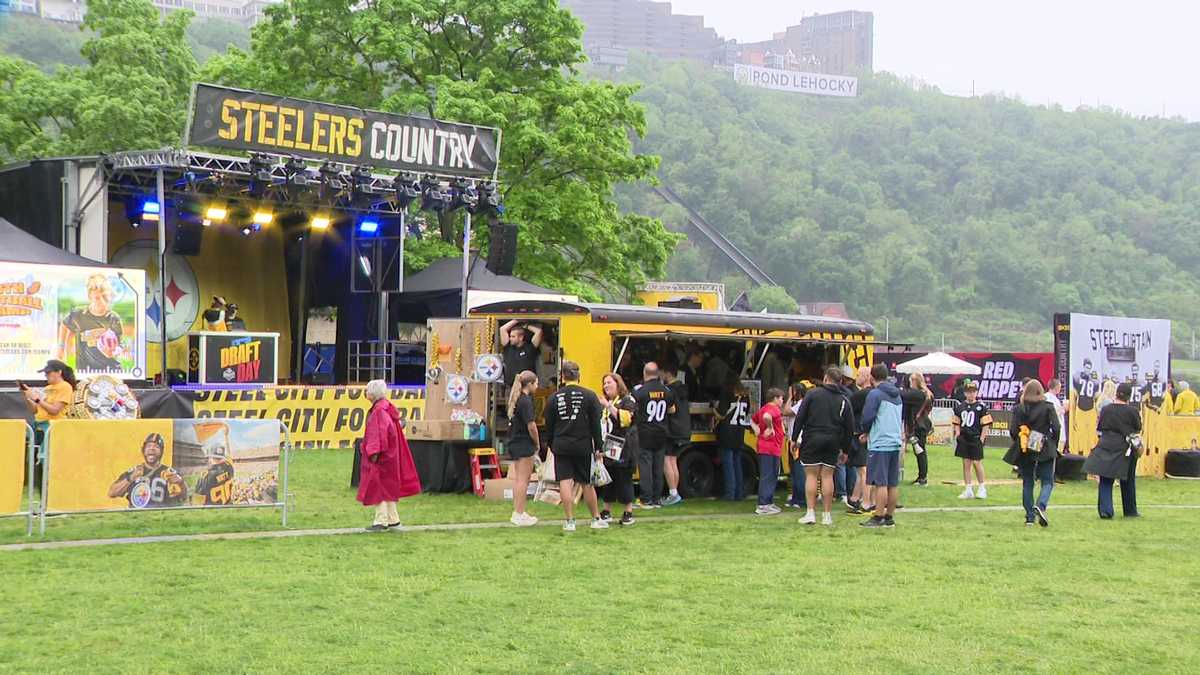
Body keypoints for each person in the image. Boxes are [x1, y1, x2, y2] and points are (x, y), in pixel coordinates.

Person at [543, 361, 606, 532]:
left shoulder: (553, 398)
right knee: (586, 483)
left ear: (562, 376)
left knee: (565, 481)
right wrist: (599, 446)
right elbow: (595, 424)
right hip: (582, 444)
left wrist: (551, 443)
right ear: (579, 376)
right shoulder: (590, 396)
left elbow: (549, 425)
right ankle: (595, 518)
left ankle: (570, 521)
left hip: (561, 444)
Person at [792, 366, 856, 526]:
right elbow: (849, 427)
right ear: (840, 381)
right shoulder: (844, 400)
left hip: (812, 439)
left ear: (826, 378)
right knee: (828, 476)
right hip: (833, 440)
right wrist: (846, 450)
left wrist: (794, 438)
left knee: (811, 476)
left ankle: (810, 513)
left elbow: (800, 417)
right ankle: (827, 515)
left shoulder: (812, 394)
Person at [356, 379, 421, 531]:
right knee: (388, 488)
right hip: (391, 454)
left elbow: (378, 434)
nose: (365, 393)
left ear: (372, 394)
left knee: (378, 487)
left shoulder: (378, 411)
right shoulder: (387, 408)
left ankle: (381, 520)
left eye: (367, 391)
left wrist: (372, 453)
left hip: (382, 456)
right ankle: (393, 520)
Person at [1004, 380, 1061, 527]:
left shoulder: (1019, 408)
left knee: (1028, 482)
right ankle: (1041, 505)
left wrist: (1020, 441)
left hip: (1025, 445)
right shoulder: (1048, 407)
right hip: (1044, 443)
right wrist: (1053, 442)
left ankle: (1029, 517)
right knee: (1047, 481)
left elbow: (1013, 430)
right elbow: (1057, 427)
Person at [1084, 383, 1143, 519]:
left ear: (1116, 393)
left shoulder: (1106, 409)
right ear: (1129, 396)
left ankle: (1106, 511)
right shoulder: (1132, 411)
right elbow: (1138, 427)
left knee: (1105, 478)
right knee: (1128, 479)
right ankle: (1130, 511)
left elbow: (1100, 426)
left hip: (1106, 444)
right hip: (1125, 447)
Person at [859, 364, 903, 528]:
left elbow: (867, 417)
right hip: (895, 441)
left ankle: (878, 516)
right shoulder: (897, 395)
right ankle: (889, 516)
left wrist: (864, 431)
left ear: (872, 377)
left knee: (880, 483)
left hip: (880, 442)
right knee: (892, 483)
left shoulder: (875, 394)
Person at [57, 273, 124, 372]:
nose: (102, 301)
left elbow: (121, 344)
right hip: (85, 370)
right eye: (97, 298)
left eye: (105, 297)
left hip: (111, 370)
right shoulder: (78, 314)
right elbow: (64, 325)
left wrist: (113, 352)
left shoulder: (113, 318)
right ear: (90, 297)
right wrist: (61, 348)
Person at [633, 362, 675, 509]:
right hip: (661, 432)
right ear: (657, 374)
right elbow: (672, 410)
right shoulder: (667, 391)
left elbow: (634, 408)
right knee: (658, 466)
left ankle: (646, 499)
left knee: (645, 466)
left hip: (645, 432)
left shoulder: (639, 391)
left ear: (644, 373)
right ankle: (656, 498)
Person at [108, 433, 188, 508]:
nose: (151, 448)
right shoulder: (134, 471)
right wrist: (130, 478)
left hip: (160, 514)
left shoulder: (169, 473)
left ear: (161, 452)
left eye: (156, 446)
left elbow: (183, 498)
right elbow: (112, 493)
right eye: (148, 446)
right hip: (136, 515)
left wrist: (181, 483)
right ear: (143, 450)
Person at [599, 372, 638, 526]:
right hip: (610, 443)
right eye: (604, 383)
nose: (606, 386)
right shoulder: (607, 402)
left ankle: (628, 512)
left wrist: (609, 406)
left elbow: (626, 420)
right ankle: (606, 510)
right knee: (609, 477)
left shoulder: (627, 400)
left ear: (618, 384)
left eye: (609, 382)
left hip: (625, 444)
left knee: (623, 478)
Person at [505, 370, 541, 527]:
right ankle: (519, 513)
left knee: (519, 479)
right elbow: (531, 425)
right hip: (524, 443)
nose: (537, 386)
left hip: (516, 442)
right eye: (536, 383)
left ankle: (518, 511)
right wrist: (537, 442)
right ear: (530, 384)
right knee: (523, 480)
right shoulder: (526, 401)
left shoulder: (517, 399)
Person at [713, 375, 750, 501]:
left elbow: (721, 414)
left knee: (728, 464)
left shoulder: (726, 393)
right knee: (737, 463)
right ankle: (739, 493)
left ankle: (730, 493)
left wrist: (713, 408)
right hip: (739, 432)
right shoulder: (745, 395)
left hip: (727, 432)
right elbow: (747, 412)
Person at [953, 381, 992, 499]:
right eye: (969, 392)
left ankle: (982, 487)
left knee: (976, 462)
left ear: (976, 393)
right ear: (965, 393)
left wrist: (982, 438)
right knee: (966, 463)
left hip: (975, 438)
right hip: (964, 438)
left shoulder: (981, 407)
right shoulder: (960, 407)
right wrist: (957, 433)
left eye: (973, 392)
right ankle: (968, 489)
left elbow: (986, 424)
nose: (971, 394)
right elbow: (956, 421)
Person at [751, 388, 786, 515]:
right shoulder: (773, 409)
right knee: (768, 476)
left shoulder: (763, 408)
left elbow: (752, 419)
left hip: (768, 448)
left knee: (771, 475)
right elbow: (767, 417)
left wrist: (756, 429)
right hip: (770, 448)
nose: (782, 401)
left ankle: (768, 502)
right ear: (775, 398)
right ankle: (763, 505)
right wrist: (770, 428)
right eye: (781, 398)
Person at [661, 364, 690, 506]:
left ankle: (673, 493)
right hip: (684, 429)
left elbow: (671, 409)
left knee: (667, 460)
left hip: (672, 429)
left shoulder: (669, 390)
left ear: (668, 373)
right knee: (673, 461)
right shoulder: (683, 388)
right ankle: (675, 493)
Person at [845, 367, 872, 514]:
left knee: (863, 469)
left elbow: (847, 411)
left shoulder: (861, 395)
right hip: (867, 434)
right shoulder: (874, 394)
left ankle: (865, 502)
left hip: (860, 434)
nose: (856, 377)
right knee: (861, 468)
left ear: (867, 376)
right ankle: (855, 498)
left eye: (859, 374)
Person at [901, 371, 933, 486]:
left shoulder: (918, 394)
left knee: (920, 451)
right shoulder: (926, 393)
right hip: (922, 423)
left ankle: (923, 478)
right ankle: (921, 477)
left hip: (919, 424)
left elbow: (902, 394)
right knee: (919, 450)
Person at [499, 320, 543, 387]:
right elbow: (502, 329)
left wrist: (526, 326)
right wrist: (516, 320)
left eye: (513, 336)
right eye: (510, 336)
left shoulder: (530, 347)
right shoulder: (508, 347)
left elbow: (539, 332)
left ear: (521, 337)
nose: (510, 339)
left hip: (527, 386)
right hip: (510, 386)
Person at [1044, 378, 1069, 454]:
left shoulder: (1055, 399)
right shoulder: (1047, 397)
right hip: (1053, 432)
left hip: (1059, 432)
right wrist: (1064, 408)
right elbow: (1053, 412)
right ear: (1056, 387)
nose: (1060, 389)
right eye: (1060, 387)